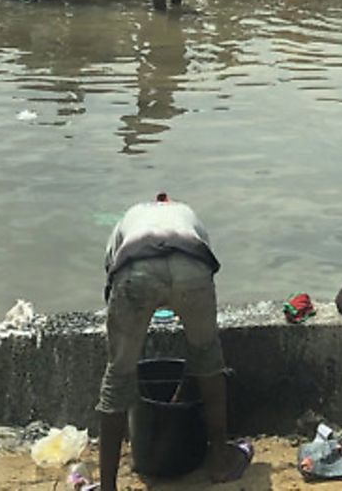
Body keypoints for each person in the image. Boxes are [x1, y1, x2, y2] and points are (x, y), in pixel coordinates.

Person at [96, 193, 249, 491]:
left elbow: (111, 274)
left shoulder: (132, 215)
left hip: (135, 268)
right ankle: (219, 459)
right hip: (192, 266)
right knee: (207, 358)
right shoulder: (187, 214)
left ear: (154, 204)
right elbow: (208, 261)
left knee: (118, 375)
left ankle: (107, 486)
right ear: (169, 203)